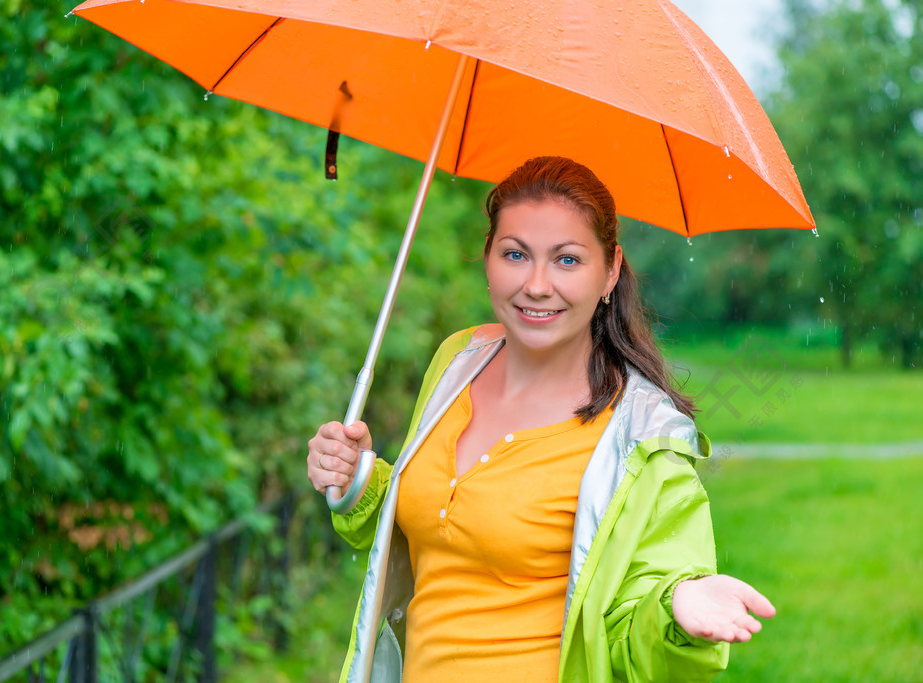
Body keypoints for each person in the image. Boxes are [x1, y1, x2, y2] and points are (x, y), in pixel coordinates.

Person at [307, 156, 775, 682]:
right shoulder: (458, 360)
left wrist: (675, 609)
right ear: (488, 257)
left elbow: (624, 642)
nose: (535, 284)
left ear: (611, 270)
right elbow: (436, 532)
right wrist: (360, 482)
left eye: (567, 260)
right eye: (515, 254)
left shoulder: (642, 440)